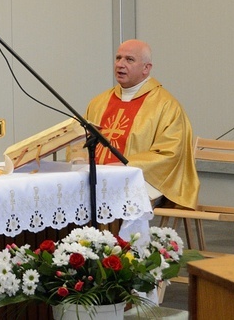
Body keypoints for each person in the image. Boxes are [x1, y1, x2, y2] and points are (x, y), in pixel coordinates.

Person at [85, 39, 199, 209]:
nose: (120, 64)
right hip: (97, 175)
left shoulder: (166, 105)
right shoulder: (98, 103)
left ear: (146, 68)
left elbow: (171, 153)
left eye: (129, 59)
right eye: (118, 58)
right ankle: (87, 237)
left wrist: (127, 164)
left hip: (143, 178)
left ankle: (120, 237)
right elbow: (79, 139)